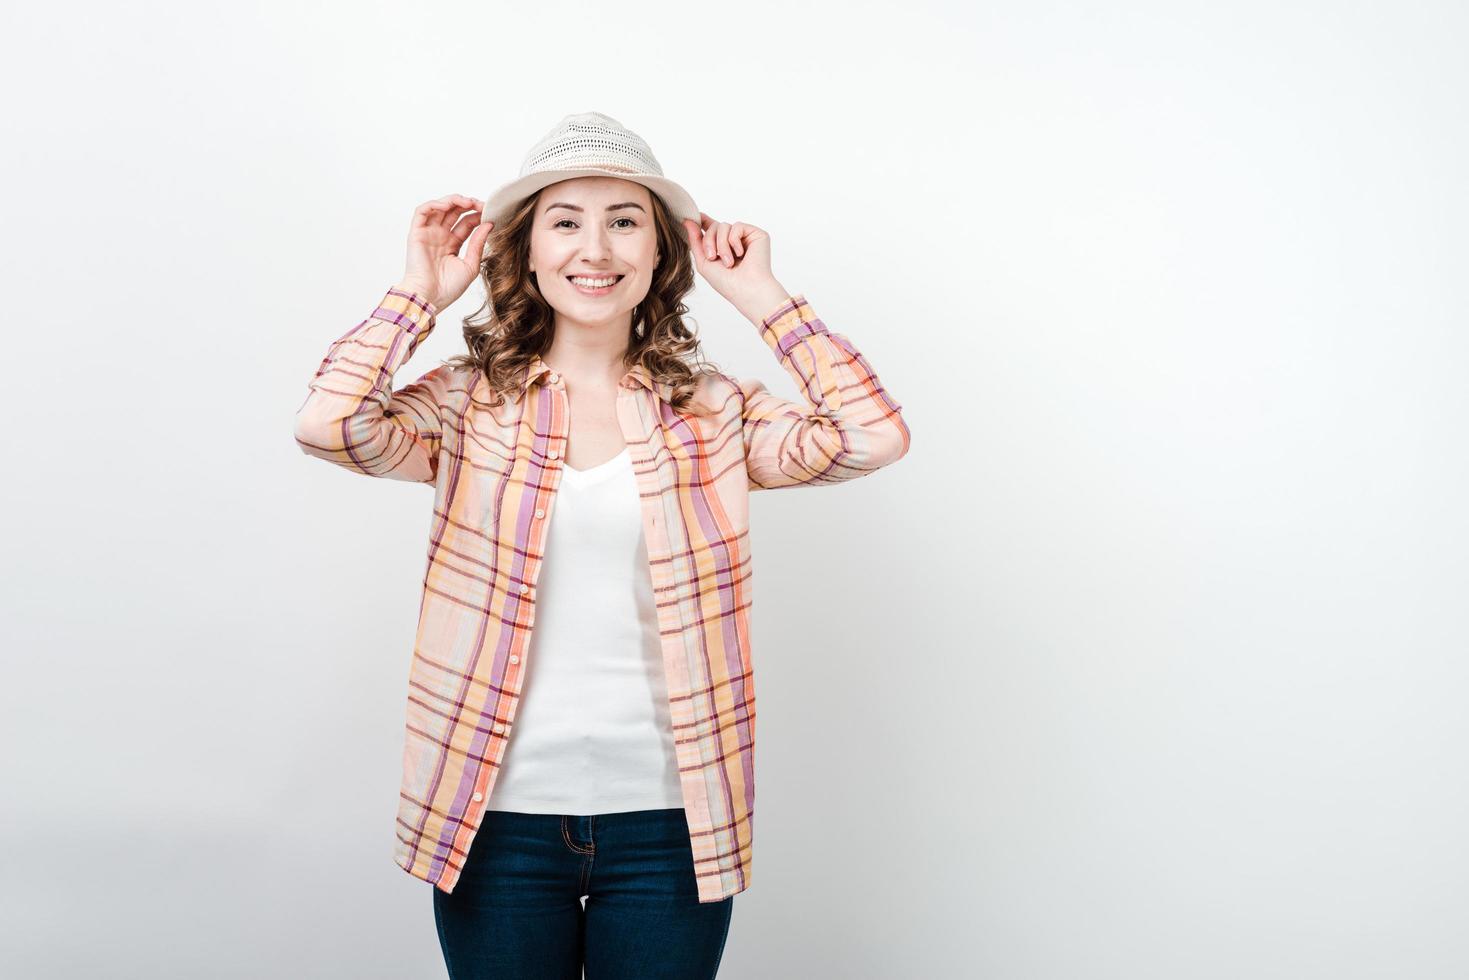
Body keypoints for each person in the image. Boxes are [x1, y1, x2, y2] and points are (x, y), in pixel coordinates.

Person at [293, 111, 910, 979]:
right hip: (494, 817)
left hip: (670, 821)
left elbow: (870, 437)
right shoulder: (466, 404)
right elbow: (328, 426)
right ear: (528, 251)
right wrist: (418, 298)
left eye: (624, 220)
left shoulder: (712, 409)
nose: (596, 247)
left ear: (659, 253)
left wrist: (766, 300)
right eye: (565, 220)